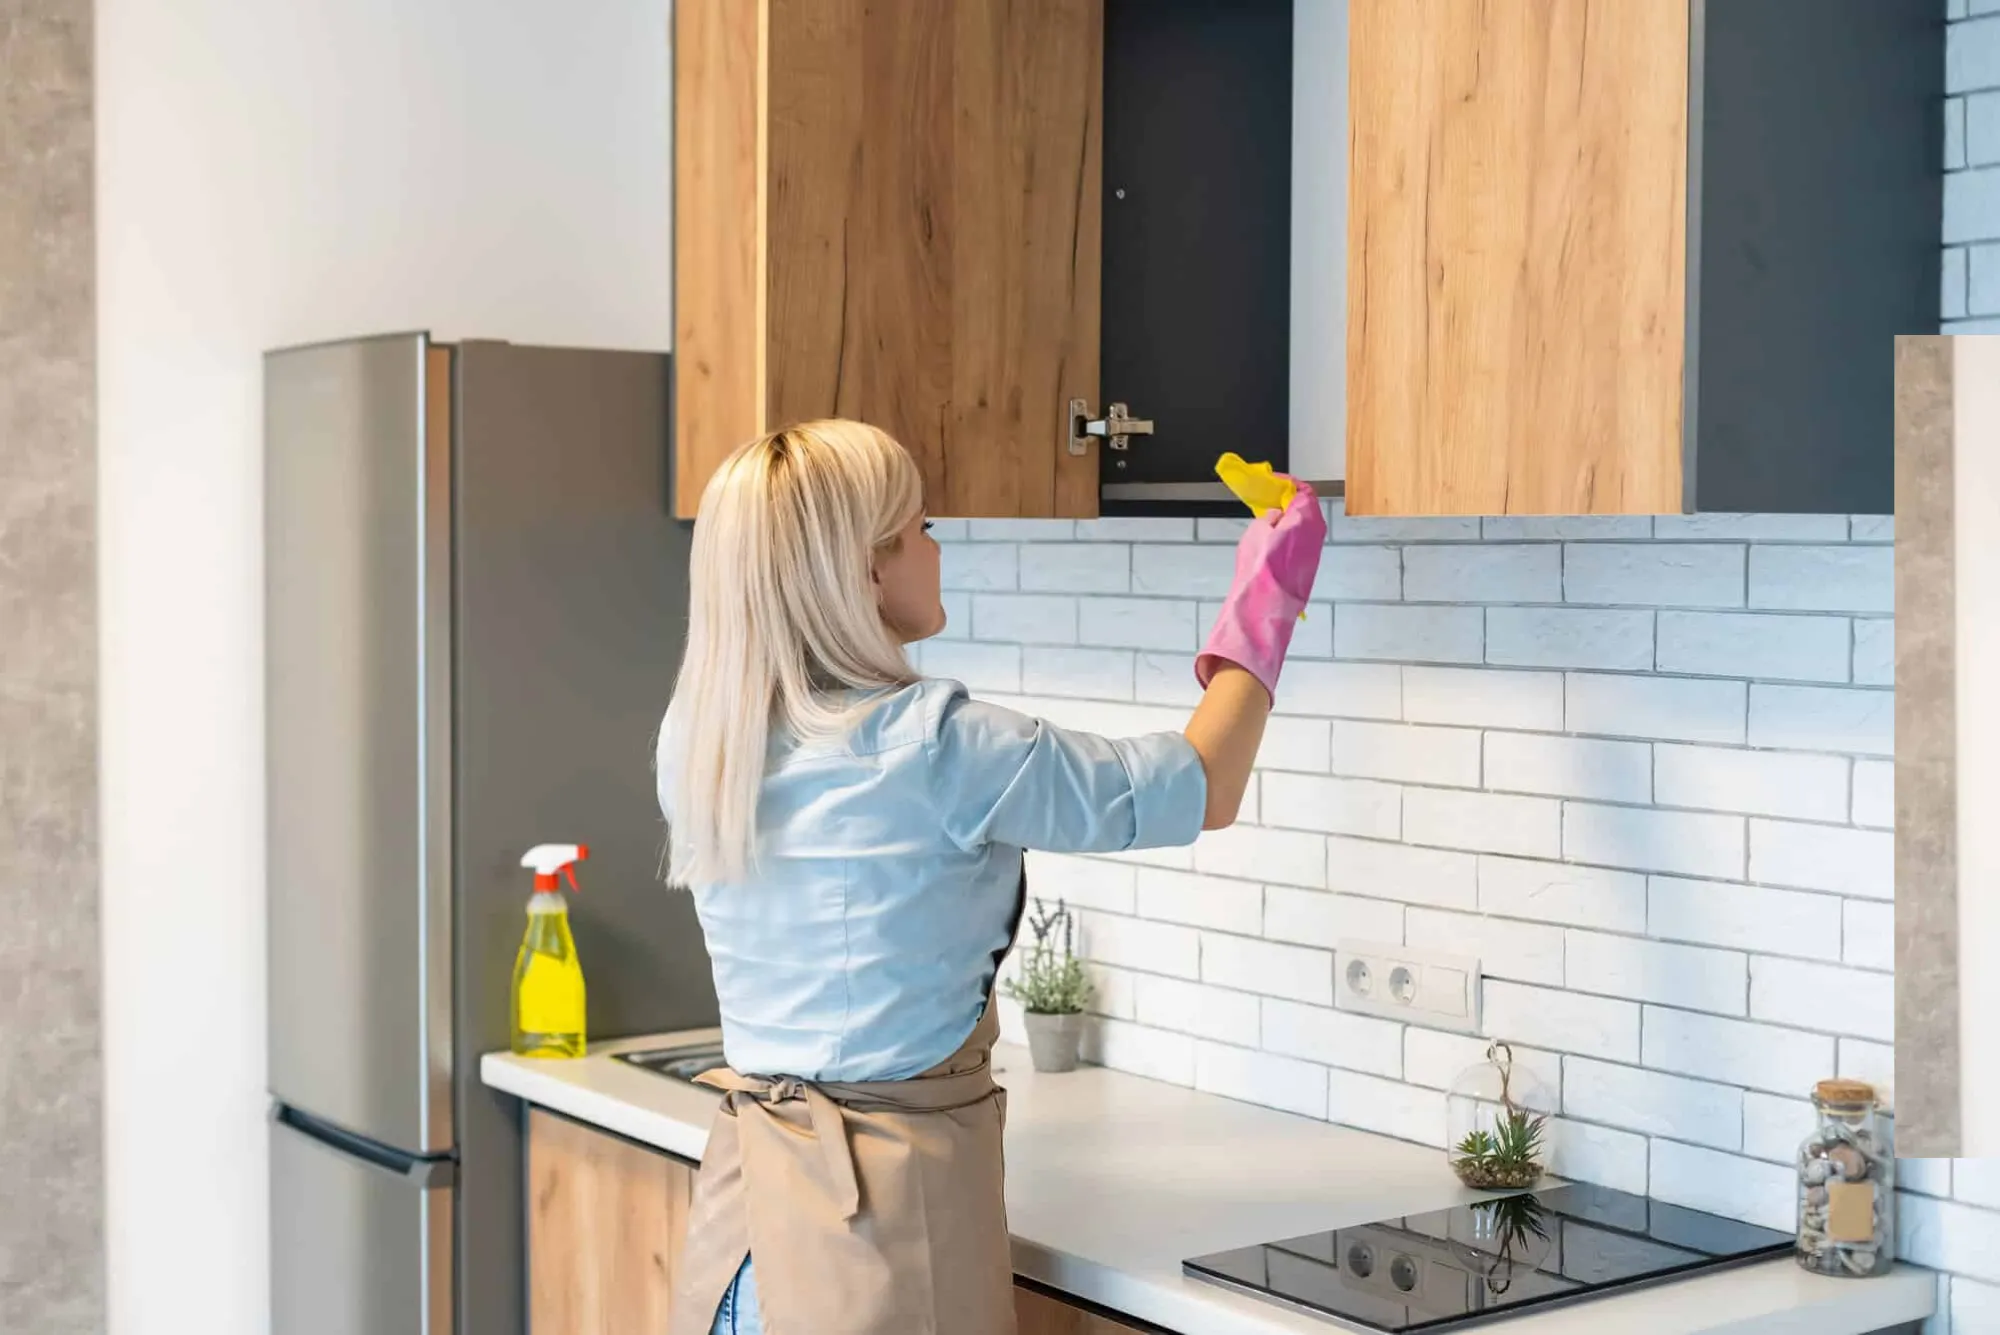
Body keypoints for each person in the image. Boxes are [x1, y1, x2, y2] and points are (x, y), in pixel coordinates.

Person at [656, 419, 1325, 1335]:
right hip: (879, 1242)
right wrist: (1270, 588)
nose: (939, 547)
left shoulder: (704, 742)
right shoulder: (938, 747)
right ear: (867, 569)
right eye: (922, 526)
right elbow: (1200, 786)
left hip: (747, 1243)